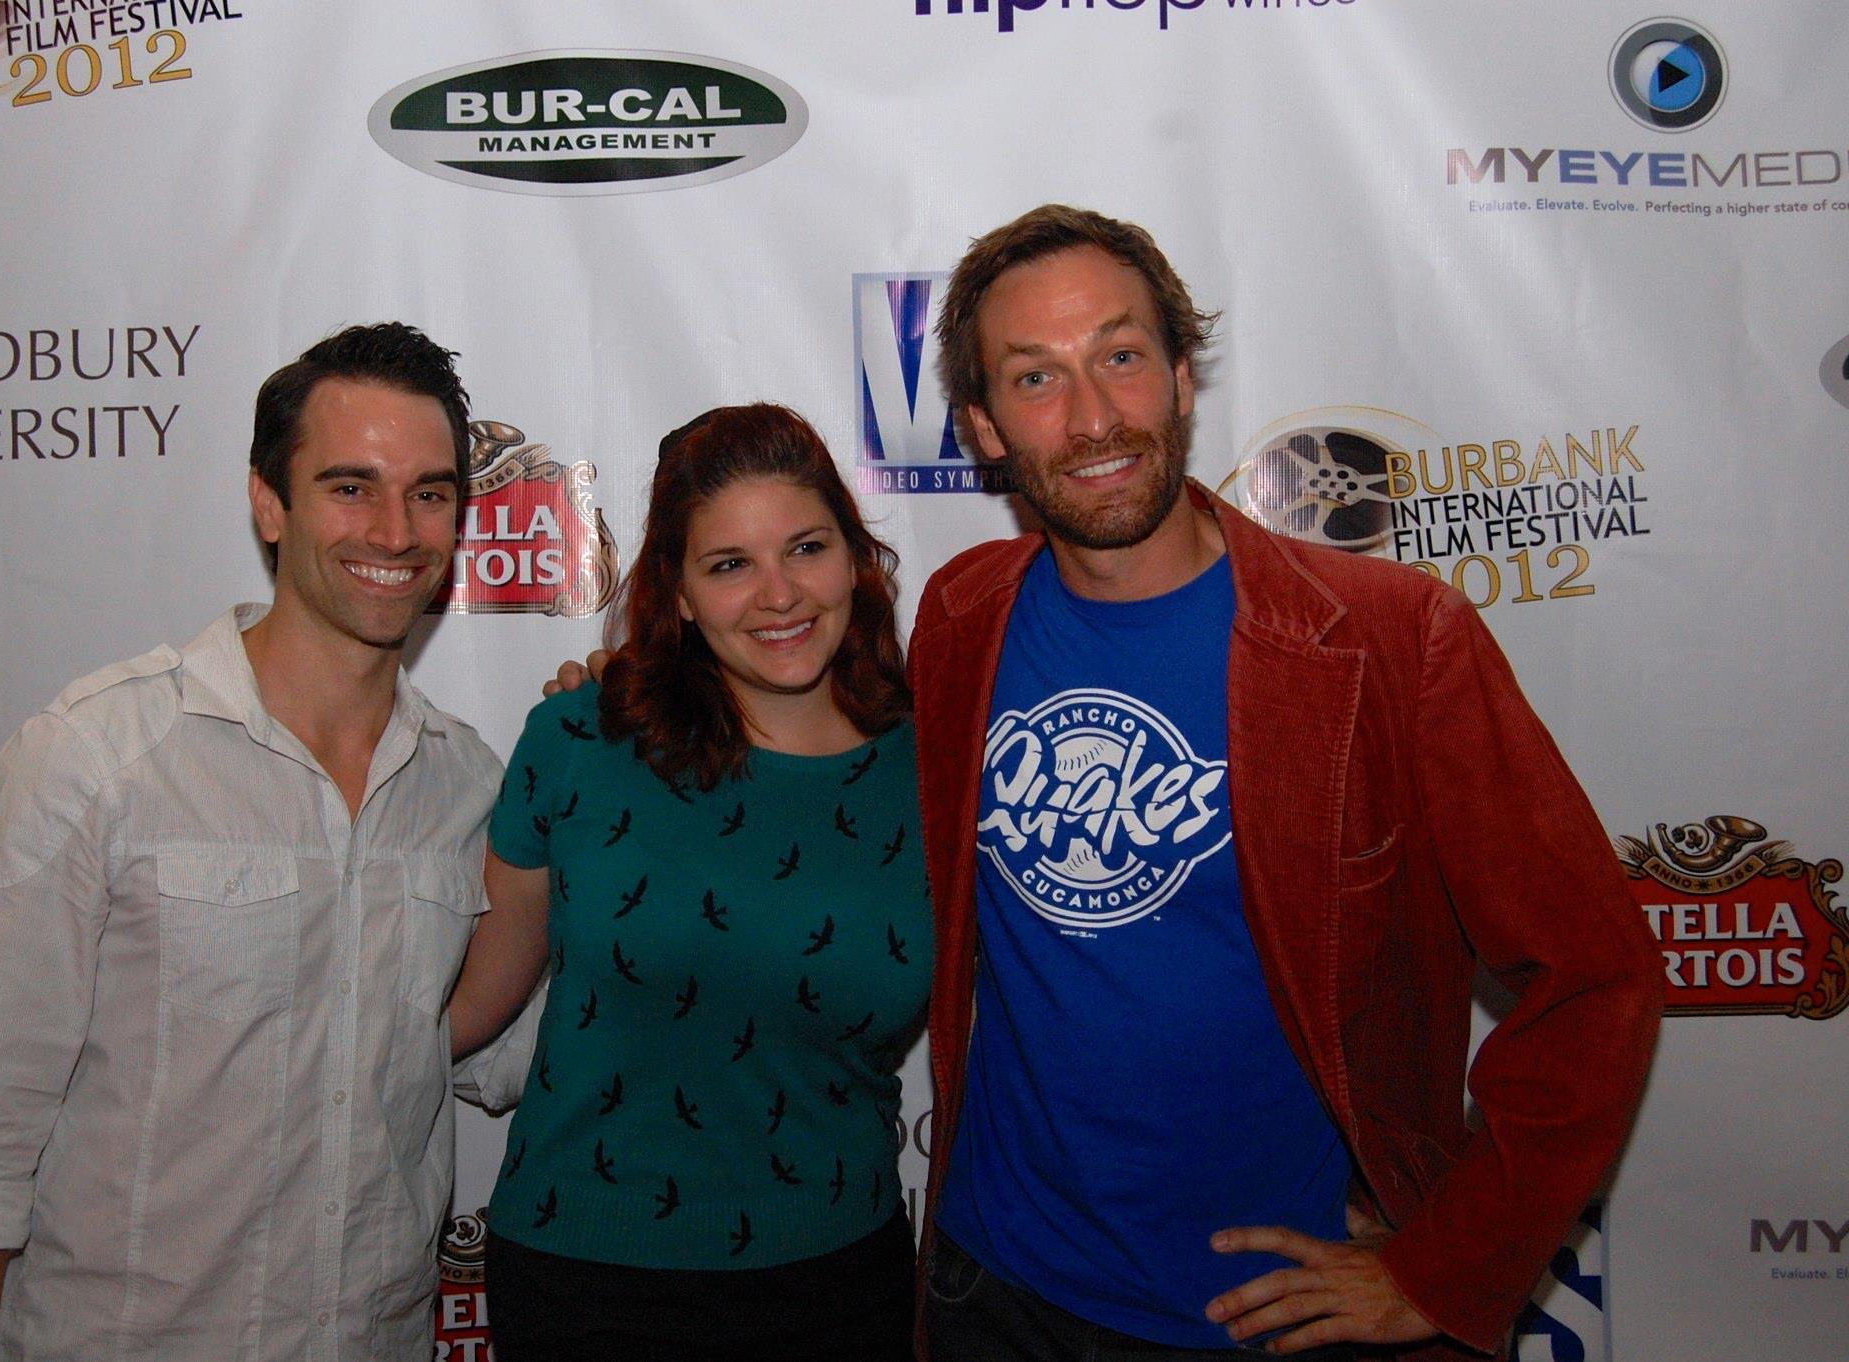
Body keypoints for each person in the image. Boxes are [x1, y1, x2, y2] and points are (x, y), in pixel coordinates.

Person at [907, 205, 1665, 1361]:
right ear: (984, 427)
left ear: (1180, 377)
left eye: (1119, 356)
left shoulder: (1386, 641)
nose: (1094, 417)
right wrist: (637, 685)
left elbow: (1595, 974)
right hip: (997, 1292)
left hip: (1280, 1320)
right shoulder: (962, 614)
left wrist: (1449, 1263)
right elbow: (810, 717)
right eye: (1034, 378)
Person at [0, 323, 502, 1362]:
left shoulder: (469, 787)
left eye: (430, 493)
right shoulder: (92, 761)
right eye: (349, 486)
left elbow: (526, 1042)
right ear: (269, 502)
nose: (395, 531)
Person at [447, 403, 932, 1361]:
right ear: (675, 593)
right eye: (729, 565)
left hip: (840, 1278)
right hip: (586, 1277)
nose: (779, 595)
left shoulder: (936, 770)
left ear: (856, 560)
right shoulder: (579, 742)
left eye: (807, 548)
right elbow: (464, 1009)